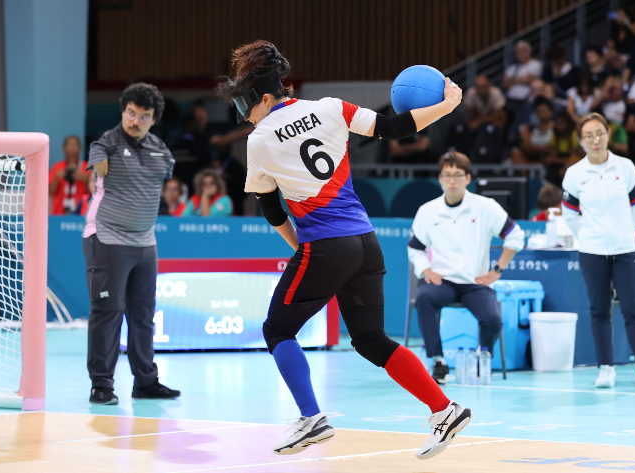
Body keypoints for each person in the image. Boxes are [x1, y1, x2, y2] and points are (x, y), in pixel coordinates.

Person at [217, 40, 471, 459]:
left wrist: (302, 248)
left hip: (326, 246)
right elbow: (394, 127)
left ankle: (311, 418)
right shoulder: (331, 107)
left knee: (277, 330)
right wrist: (445, 106)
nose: (245, 116)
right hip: (367, 244)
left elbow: (268, 205)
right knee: (371, 338)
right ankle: (445, 409)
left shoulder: (260, 139)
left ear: (265, 97)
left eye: (246, 106)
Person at [82, 82, 180, 405]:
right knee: (108, 311)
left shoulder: (160, 150)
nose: (134, 120)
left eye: (143, 116)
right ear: (123, 112)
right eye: (130, 113)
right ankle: (102, 384)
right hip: (107, 238)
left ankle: (146, 381)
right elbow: (95, 156)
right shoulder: (105, 143)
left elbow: (166, 173)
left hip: (145, 242)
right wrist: (99, 165)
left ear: (154, 120)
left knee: (143, 313)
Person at [408, 152, 524, 384]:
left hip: (474, 282)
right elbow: (414, 248)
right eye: (447, 175)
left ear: (468, 178)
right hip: (444, 281)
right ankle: (438, 361)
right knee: (424, 298)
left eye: (458, 175)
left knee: (492, 320)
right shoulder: (427, 211)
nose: (452, 181)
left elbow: (515, 236)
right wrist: (427, 271)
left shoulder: (485, 207)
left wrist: (496, 271)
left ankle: (483, 357)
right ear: (440, 179)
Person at [562, 112, 635, 390]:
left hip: (625, 249)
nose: (595, 140)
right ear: (581, 140)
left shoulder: (626, 167)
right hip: (591, 251)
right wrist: (587, 236)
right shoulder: (575, 174)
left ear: (608, 134)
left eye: (599, 133)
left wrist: (626, 230)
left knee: (633, 309)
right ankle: (605, 369)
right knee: (599, 310)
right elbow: (570, 214)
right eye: (589, 135)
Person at [48, 136, 90, 215]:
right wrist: (56, 179)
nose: (72, 148)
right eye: (70, 145)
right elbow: (50, 193)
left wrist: (85, 180)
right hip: (59, 213)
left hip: (82, 213)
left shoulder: (87, 167)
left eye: (75, 145)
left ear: (80, 148)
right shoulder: (57, 167)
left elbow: (95, 193)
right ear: (63, 149)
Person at [511, 96, 555, 165]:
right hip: (532, 156)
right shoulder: (531, 129)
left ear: (551, 112)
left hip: (548, 158)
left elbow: (553, 148)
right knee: (515, 152)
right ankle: (524, 175)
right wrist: (543, 149)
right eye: (539, 111)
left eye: (544, 111)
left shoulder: (556, 129)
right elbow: (526, 146)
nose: (541, 114)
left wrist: (537, 149)